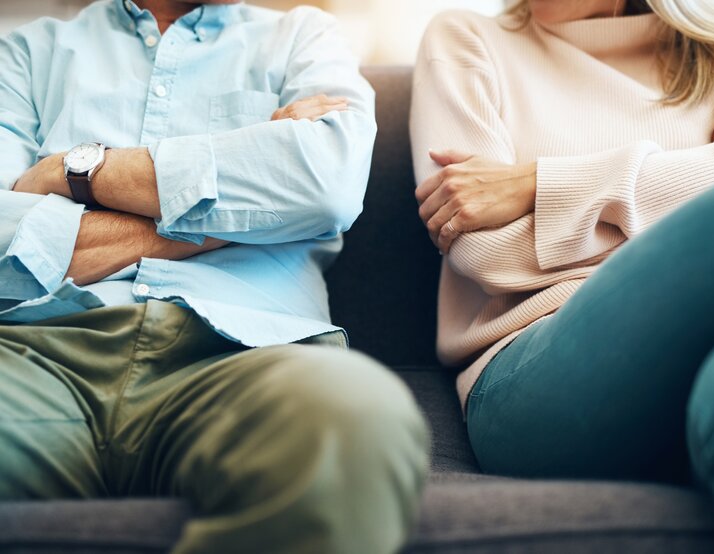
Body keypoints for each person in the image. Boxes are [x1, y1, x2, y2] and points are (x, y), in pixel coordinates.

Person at [0, 1, 430, 553]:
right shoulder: (26, 52)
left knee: (359, 415)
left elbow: (326, 184)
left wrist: (73, 171)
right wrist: (250, 203)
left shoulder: (305, 37)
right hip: (35, 352)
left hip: (249, 354)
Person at [410, 0, 714, 550]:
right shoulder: (465, 41)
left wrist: (536, 185)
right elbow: (487, 255)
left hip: (692, 362)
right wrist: (685, 188)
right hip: (529, 376)